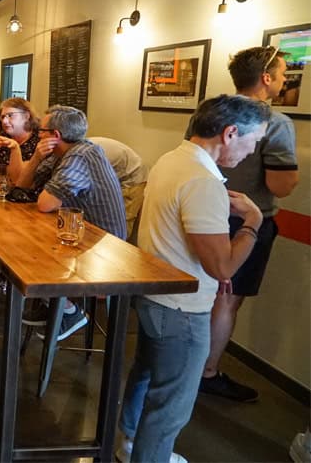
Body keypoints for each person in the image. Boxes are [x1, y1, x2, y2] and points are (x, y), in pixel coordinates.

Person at [117, 94, 270, 463]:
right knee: (170, 405)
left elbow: (182, 239)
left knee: (145, 376)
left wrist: (216, 264)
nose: (252, 152)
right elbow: (223, 268)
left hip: (156, 295)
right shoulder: (203, 180)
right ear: (231, 133)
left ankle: (127, 444)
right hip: (182, 310)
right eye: (254, 141)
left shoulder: (173, 159)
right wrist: (253, 223)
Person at [197, 46, 299, 403]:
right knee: (227, 300)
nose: (286, 80)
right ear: (266, 78)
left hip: (205, 213)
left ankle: (189, 367)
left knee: (204, 296)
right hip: (244, 223)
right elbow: (281, 186)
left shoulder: (208, 112)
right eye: (284, 73)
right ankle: (206, 374)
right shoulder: (276, 122)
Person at [16, 105, 127, 339]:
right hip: (82, 235)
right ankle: (49, 302)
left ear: (55, 136)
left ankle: (68, 311)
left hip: (104, 249)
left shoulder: (80, 155)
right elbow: (21, 185)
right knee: (22, 237)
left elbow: (45, 203)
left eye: (42, 131)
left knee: (23, 248)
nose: (38, 135)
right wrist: (36, 157)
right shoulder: (60, 154)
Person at [88, 136, 148, 244]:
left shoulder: (83, 155)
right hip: (117, 173)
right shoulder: (77, 148)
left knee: (122, 225)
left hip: (133, 177)